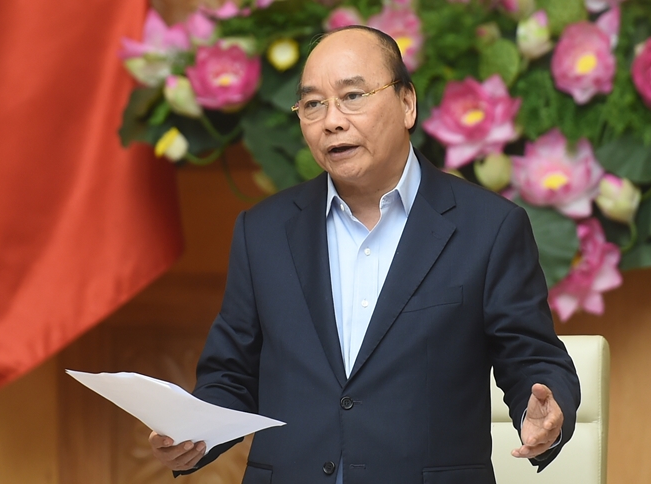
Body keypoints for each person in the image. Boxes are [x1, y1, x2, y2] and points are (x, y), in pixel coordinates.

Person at [148, 26, 580, 483]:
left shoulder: (489, 227)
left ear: (407, 103)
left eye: (352, 96)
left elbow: (532, 359)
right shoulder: (263, 231)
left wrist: (545, 414)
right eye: (313, 104)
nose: (331, 121)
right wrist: (193, 434)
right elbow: (231, 375)